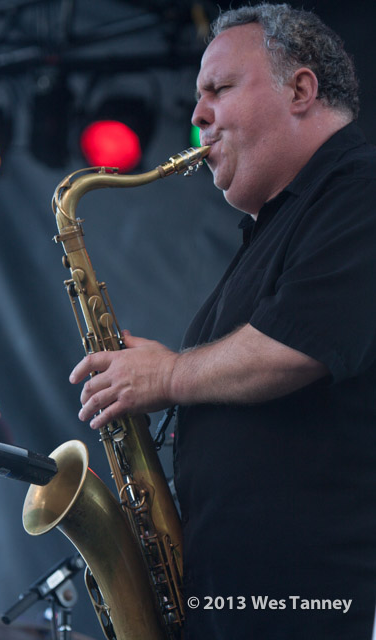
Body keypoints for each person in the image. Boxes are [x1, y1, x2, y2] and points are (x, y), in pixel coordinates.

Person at [70, 4, 376, 639]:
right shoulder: (277, 224)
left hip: (303, 606)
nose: (197, 115)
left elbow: (298, 345)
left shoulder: (360, 191)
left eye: (219, 88)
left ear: (301, 89)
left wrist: (169, 375)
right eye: (197, 96)